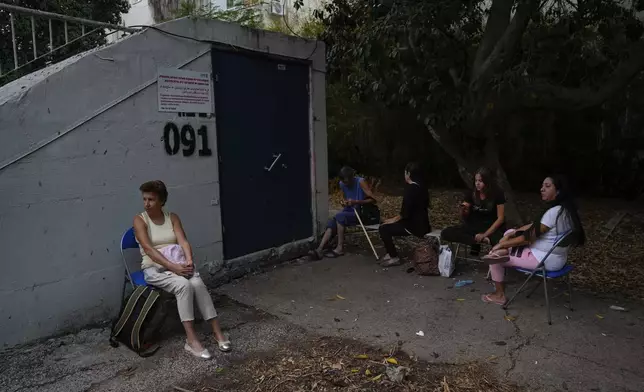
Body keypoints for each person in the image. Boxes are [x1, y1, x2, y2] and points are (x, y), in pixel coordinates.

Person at [133, 180, 231, 359]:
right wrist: (173, 267)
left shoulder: (172, 217)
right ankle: (192, 341)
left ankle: (217, 332)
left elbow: (183, 241)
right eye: (144, 199)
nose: (146, 203)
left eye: (151, 200)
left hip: (177, 263)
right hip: (154, 268)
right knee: (183, 286)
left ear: (161, 201)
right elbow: (148, 249)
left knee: (197, 282)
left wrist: (188, 261)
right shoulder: (140, 220)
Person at [480, 175, 586, 305]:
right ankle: (503, 253)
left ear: (558, 191)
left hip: (543, 260)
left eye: (547, 186)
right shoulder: (565, 211)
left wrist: (502, 243)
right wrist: (514, 231)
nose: (542, 189)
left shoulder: (553, 213)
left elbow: (527, 239)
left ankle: (499, 294)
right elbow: (536, 225)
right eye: (542, 186)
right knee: (508, 234)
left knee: (494, 259)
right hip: (556, 257)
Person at [310, 166, 377, 259]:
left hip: (362, 212)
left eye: (347, 181)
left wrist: (356, 202)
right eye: (344, 182)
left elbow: (373, 200)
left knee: (340, 216)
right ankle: (319, 249)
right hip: (350, 211)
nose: (346, 184)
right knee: (332, 221)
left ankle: (339, 248)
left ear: (352, 177)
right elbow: (346, 198)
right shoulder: (342, 184)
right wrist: (345, 203)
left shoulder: (360, 181)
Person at [441, 167, 506, 253]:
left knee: (501, 240)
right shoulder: (472, 193)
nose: (477, 184)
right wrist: (463, 210)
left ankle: (481, 242)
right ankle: (476, 241)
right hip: (474, 226)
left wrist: (485, 234)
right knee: (446, 233)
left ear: (487, 182)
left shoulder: (498, 193)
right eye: (476, 181)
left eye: (480, 181)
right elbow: (465, 214)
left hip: (490, 226)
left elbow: (500, 218)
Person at [378, 163, 431, 267]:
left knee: (383, 228)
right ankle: (390, 254)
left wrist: (391, 220)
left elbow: (404, 213)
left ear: (408, 174)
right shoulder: (422, 187)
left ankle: (393, 256)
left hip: (413, 226)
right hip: (424, 225)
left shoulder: (411, 189)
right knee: (387, 225)